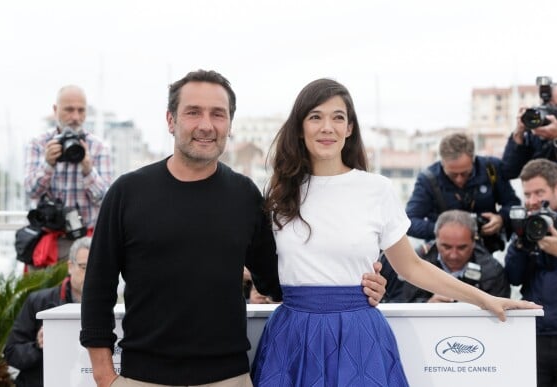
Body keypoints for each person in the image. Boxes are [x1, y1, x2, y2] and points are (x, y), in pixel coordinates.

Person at [79, 69, 389, 387]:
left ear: (229, 124)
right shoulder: (127, 193)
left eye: (218, 114)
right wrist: (105, 378)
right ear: (171, 121)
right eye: (193, 113)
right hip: (142, 378)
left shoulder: (245, 196)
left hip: (229, 378)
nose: (206, 125)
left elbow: (278, 279)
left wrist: (357, 284)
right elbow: (98, 289)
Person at [251, 78, 541, 386]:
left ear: (350, 128)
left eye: (338, 117)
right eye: (315, 117)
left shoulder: (375, 189)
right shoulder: (280, 195)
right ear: (299, 127)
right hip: (293, 337)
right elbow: (258, 264)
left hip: (358, 337)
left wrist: (485, 300)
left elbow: (411, 266)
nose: (327, 127)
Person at [24, 85, 112, 265]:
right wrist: (48, 164)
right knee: (45, 293)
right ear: (55, 110)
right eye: (69, 110)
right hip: (48, 240)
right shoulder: (39, 144)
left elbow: (106, 201)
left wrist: (88, 169)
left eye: (81, 110)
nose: (76, 117)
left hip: (85, 242)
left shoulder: (98, 147)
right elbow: (31, 191)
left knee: (84, 293)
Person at [405, 132, 520, 253]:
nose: (459, 179)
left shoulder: (491, 169)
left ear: (473, 159)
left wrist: (501, 218)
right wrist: (443, 230)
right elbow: (409, 221)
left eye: (465, 173)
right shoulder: (428, 179)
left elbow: (513, 204)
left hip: (485, 250)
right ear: (442, 162)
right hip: (443, 253)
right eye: (453, 175)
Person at [4, 236, 92, 387]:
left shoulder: (112, 307)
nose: (91, 274)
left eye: (97, 268)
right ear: (70, 266)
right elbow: (12, 354)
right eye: (84, 268)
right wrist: (38, 346)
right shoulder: (38, 301)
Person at [504, 158, 557, 386]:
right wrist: (521, 243)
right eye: (527, 195)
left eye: (539, 193)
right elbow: (513, 278)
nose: (532, 201)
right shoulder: (527, 226)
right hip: (534, 333)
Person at [397, 209, 510, 303]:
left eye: (462, 248)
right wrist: (427, 305)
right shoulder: (414, 264)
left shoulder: (492, 271)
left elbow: (501, 317)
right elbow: (399, 304)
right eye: (446, 247)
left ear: (474, 242)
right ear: (436, 239)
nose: (453, 255)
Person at [501, 83, 557, 180]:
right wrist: (519, 134)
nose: (551, 112)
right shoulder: (534, 135)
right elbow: (508, 172)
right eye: (546, 105)